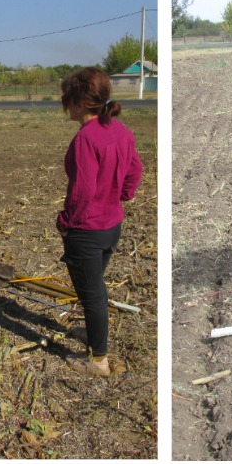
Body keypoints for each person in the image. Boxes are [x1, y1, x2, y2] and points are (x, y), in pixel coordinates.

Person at [57, 67, 143, 377]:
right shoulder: (119, 130)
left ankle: (98, 359)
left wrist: (66, 222)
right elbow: (135, 170)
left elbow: (83, 191)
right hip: (111, 226)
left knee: (92, 294)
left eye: (66, 98)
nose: (64, 104)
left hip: (87, 230)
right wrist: (121, 196)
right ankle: (95, 336)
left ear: (79, 102)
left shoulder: (86, 138)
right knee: (95, 289)